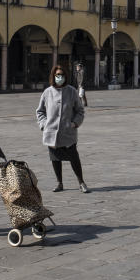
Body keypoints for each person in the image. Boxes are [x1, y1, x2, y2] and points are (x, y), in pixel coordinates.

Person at [37, 65, 89, 193]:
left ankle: (81, 182)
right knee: (55, 159)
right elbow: (40, 111)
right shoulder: (47, 92)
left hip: (68, 133)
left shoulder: (71, 91)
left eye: (61, 75)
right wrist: (44, 124)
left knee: (74, 158)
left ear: (65, 77)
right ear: (53, 77)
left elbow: (80, 111)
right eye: (57, 75)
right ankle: (59, 183)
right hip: (51, 133)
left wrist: (74, 123)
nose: (59, 77)